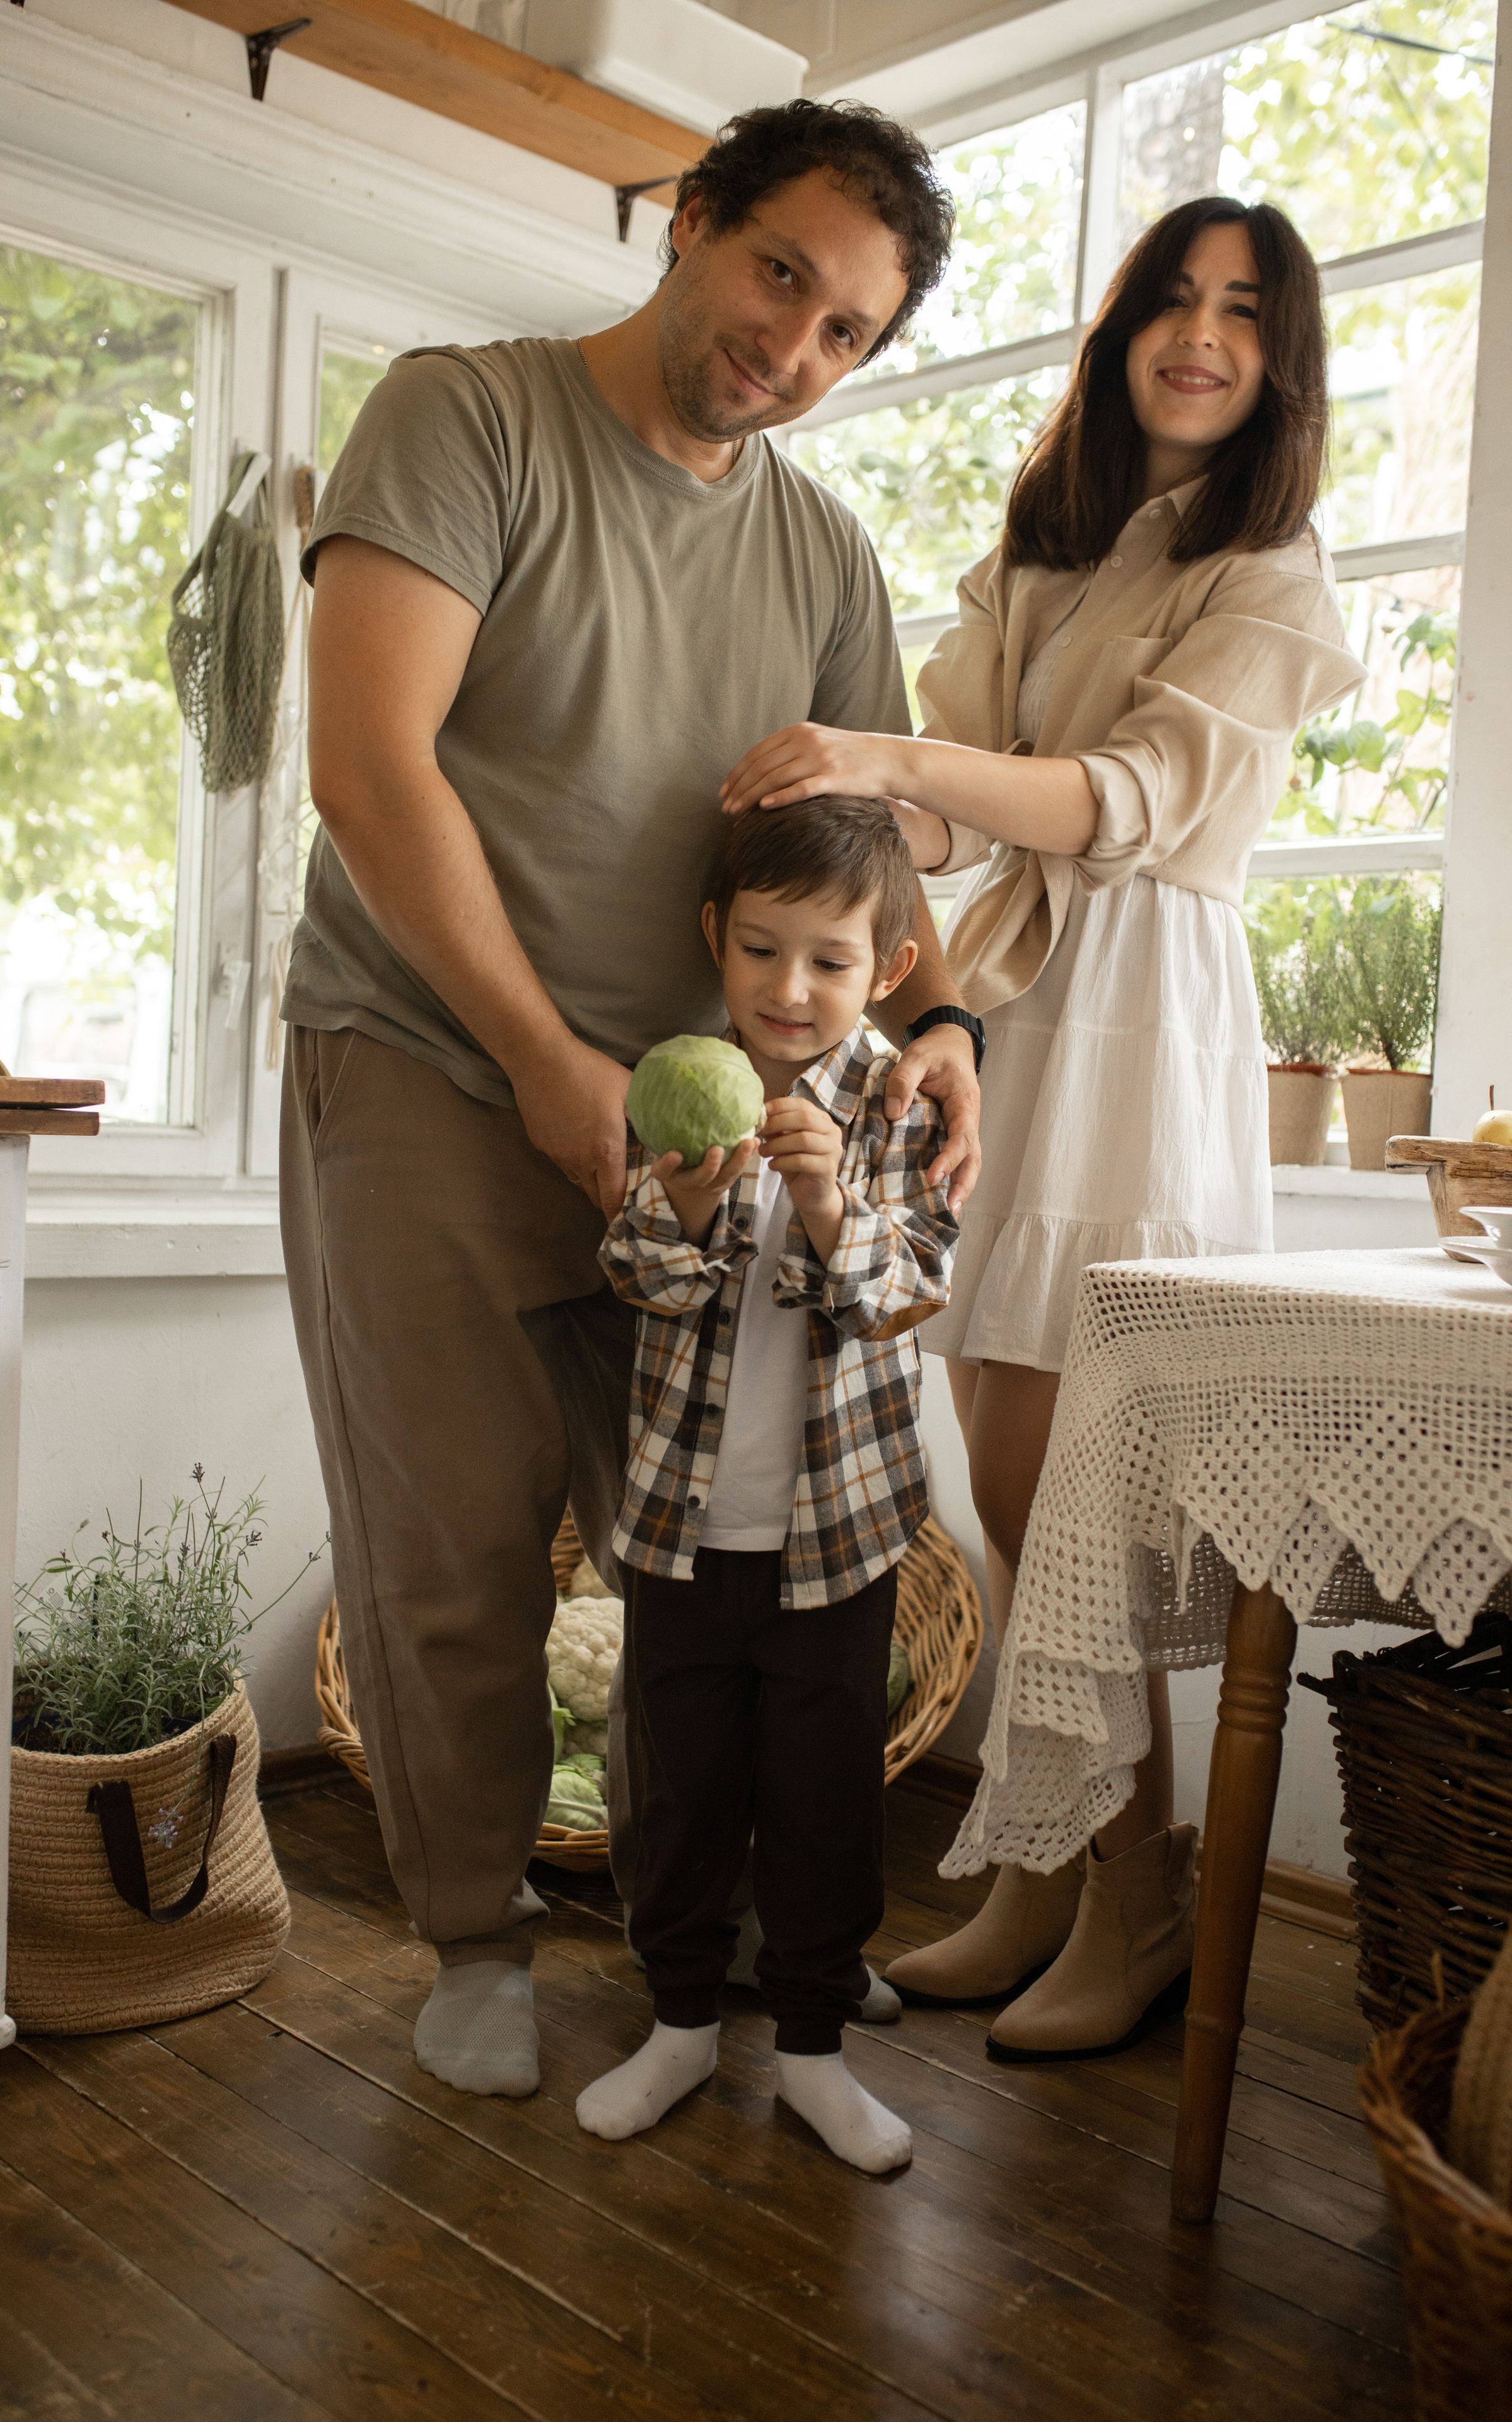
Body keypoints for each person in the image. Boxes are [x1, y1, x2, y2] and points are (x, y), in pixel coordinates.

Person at [283, 101, 983, 2103]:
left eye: (848, 332)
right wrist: (540, 1061)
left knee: (702, 1567)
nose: (795, 349)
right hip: (427, 1063)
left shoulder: (823, 551)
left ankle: (705, 1943)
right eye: (781, 276)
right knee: (456, 1553)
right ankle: (474, 1933)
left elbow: (876, 878)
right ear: (692, 224)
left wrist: (955, 1035)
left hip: (700, 1132)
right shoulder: (467, 418)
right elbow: (369, 768)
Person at [718, 195, 1364, 2059]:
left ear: (1281, 357)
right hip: (999, 1012)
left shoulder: (1279, 567)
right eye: (1173, 297)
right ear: (1122, 328)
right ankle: (1050, 1856)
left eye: (1246, 311)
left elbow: (1132, 799)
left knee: (1091, 1474)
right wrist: (829, 791)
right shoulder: (1048, 543)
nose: (1202, 335)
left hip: (1143, 1011)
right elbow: (944, 806)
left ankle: (1142, 1897)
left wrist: (901, 768)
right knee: (999, 1471)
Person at [577, 798, 958, 2172]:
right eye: (758, 951)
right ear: (713, 944)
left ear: (889, 969)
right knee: (677, 1792)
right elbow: (634, 1276)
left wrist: (827, 1207)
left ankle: (809, 2048)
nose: (789, 991)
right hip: (682, 1532)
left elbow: (910, 1289)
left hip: (835, 1544)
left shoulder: (895, 1109)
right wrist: (682, 1211)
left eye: (829, 962)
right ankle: (679, 2022)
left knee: (820, 1798)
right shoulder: (675, 1080)